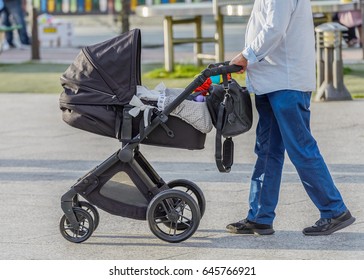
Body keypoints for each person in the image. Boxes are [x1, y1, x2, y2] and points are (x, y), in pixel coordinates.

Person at [227, 0, 355, 236]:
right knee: (267, 151)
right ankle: (260, 217)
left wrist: (246, 56)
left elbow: (274, 28)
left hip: (286, 83)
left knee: (300, 148)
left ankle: (334, 210)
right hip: (272, 80)